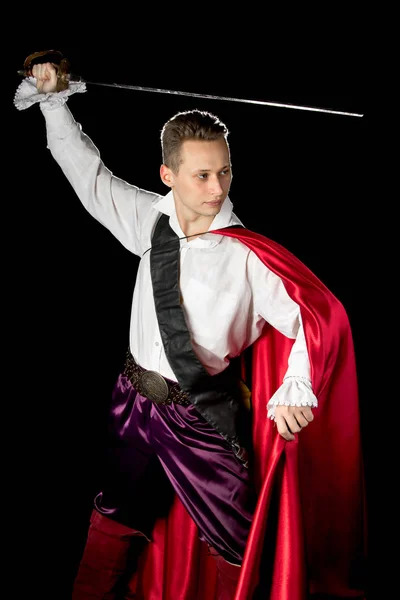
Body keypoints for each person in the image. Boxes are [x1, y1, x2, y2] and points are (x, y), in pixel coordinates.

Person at [14, 59, 367, 600]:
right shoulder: (147, 219)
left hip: (200, 415)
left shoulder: (249, 257)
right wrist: (54, 101)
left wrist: (298, 386)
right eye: (202, 175)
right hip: (131, 401)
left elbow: (311, 321)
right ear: (168, 175)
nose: (217, 186)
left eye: (224, 171)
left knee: (237, 547)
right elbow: (85, 172)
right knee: (112, 522)